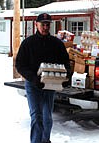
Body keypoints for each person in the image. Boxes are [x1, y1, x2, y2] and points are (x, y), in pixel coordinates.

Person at [15, 13, 70, 143]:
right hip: (33, 85)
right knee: (36, 116)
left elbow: (66, 63)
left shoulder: (57, 44)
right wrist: (34, 79)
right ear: (36, 25)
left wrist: (66, 76)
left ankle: (45, 140)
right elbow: (20, 65)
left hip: (50, 85)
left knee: (47, 118)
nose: (45, 27)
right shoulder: (28, 43)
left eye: (47, 24)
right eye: (42, 24)